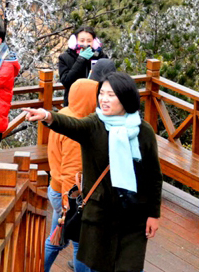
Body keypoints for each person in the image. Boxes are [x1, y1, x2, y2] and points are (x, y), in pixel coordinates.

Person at [25, 73, 162, 272]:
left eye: (111, 95)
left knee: (130, 267)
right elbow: (71, 125)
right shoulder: (94, 124)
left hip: (133, 215)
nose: (104, 99)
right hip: (100, 215)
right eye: (102, 94)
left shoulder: (143, 131)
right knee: (99, 267)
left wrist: (153, 214)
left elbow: (154, 177)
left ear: (125, 97)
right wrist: (47, 116)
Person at [45, 78, 97, 272]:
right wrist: (70, 207)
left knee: (55, 240)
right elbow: (72, 172)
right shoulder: (77, 130)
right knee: (80, 245)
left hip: (56, 187)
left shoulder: (65, 114)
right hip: (69, 195)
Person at [58, 26, 106, 106]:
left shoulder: (100, 56)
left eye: (89, 41)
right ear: (75, 41)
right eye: (82, 40)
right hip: (74, 102)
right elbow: (66, 81)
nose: (85, 44)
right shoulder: (65, 57)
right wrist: (81, 59)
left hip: (95, 102)